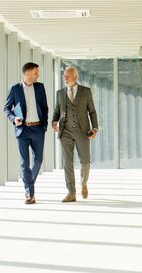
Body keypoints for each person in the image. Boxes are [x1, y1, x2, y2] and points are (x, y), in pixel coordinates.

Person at [4, 62, 49, 204]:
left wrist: (44, 126)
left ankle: (29, 184)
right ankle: (30, 193)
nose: (38, 75)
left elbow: (45, 108)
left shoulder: (40, 87)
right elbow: (6, 108)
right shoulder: (15, 89)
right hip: (22, 130)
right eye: (36, 73)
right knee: (25, 163)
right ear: (27, 74)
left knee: (38, 160)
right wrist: (13, 118)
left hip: (38, 129)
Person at [52, 66, 99, 202]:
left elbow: (92, 111)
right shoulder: (60, 93)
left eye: (68, 75)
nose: (65, 78)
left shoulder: (86, 91)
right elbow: (57, 110)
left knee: (85, 161)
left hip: (82, 131)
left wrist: (95, 128)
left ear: (75, 77)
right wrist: (54, 121)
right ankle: (71, 192)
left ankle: (83, 184)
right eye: (64, 75)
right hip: (65, 131)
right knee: (67, 162)